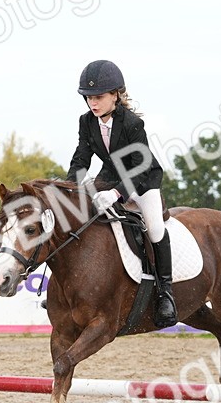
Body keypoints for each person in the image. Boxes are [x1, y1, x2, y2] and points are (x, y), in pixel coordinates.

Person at [66, 59, 176, 328]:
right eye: (89, 97)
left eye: (99, 97)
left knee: (155, 229)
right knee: (82, 221)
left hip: (143, 180)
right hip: (110, 177)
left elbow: (140, 166)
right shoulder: (86, 121)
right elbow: (81, 159)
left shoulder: (132, 123)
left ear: (115, 95)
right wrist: (69, 191)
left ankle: (166, 293)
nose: (93, 103)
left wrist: (117, 193)